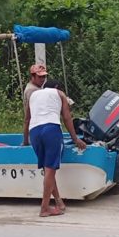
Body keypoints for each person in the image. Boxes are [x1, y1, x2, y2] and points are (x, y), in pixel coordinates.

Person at [23, 79, 87, 217]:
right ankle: (44, 208)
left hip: (34, 131)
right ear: (57, 87)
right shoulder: (59, 93)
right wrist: (75, 139)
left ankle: (59, 202)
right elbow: (67, 117)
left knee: (48, 170)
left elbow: (27, 119)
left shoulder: (33, 95)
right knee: (50, 170)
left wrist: (25, 141)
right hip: (50, 129)